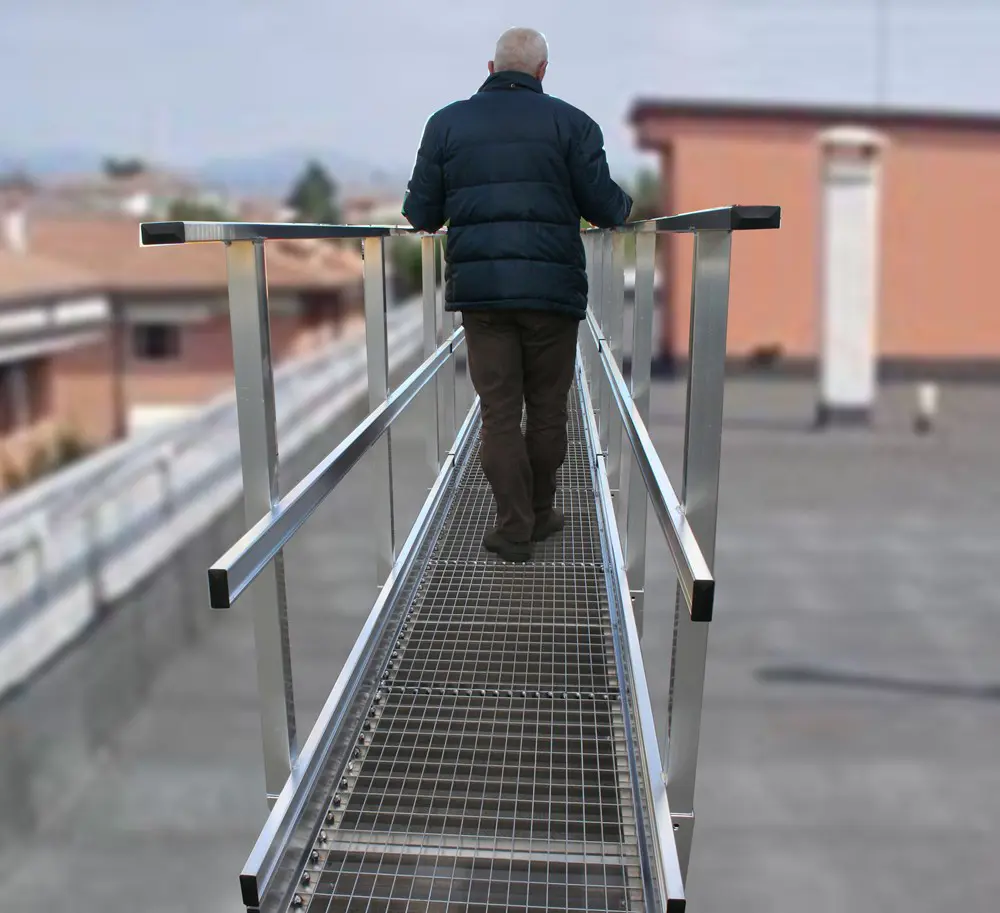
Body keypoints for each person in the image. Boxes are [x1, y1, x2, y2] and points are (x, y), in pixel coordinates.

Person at [402, 27, 632, 563]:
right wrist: (624, 203)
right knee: (548, 408)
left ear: (490, 69)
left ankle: (513, 530)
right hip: (552, 293)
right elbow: (607, 208)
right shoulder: (574, 124)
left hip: (483, 297)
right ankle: (542, 510)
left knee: (499, 412)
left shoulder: (446, 124)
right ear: (542, 71)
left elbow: (421, 214)